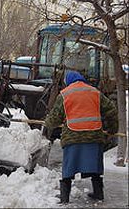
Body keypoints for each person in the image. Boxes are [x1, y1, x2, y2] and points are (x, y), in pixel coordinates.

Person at [45, 70, 118, 204]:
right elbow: (112, 110)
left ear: (68, 81)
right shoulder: (95, 92)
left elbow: (55, 118)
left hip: (73, 138)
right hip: (94, 137)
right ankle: (98, 193)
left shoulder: (65, 94)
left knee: (68, 168)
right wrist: (112, 129)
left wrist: (47, 124)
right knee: (95, 167)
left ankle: (64, 197)